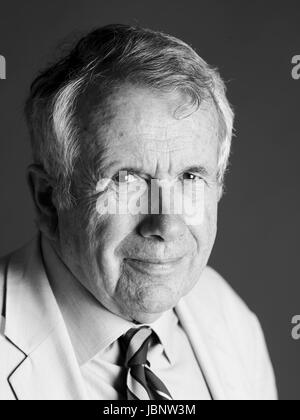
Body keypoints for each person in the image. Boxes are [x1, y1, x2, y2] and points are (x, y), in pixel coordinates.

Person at [0, 24, 277, 400]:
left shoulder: (228, 315)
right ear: (49, 200)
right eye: (127, 180)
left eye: (190, 177)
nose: (166, 224)